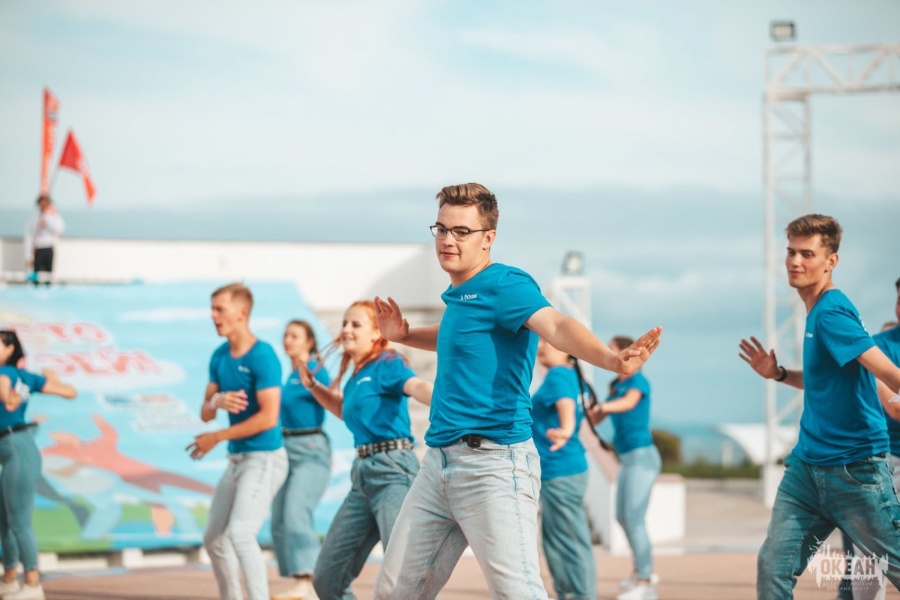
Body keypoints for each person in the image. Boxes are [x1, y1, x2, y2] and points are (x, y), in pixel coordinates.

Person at [372, 182, 662, 600]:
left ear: (488, 238)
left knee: (518, 593)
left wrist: (611, 360)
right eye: (442, 229)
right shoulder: (460, 297)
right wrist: (404, 334)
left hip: (493, 465)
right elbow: (456, 333)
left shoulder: (505, 284)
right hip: (437, 464)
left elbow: (556, 325)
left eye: (461, 231)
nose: (448, 239)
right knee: (394, 592)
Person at [738, 214, 900, 597]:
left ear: (831, 261)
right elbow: (823, 380)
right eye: (791, 252)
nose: (795, 261)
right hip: (807, 470)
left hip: (854, 470)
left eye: (807, 254)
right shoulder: (818, 311)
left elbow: (889, 373)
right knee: (773, 568)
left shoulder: (831, 313)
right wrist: (778, 374)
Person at [300, 300, 431, 600]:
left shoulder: (388, 363)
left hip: (393, 471)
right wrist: (314, 387)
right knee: (326, 579)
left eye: (355, 324)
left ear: (376, 333)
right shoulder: (355, 377)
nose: (346, 329)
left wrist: (450, 403)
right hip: (362, 477)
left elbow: (416, 386)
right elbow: (345, 411)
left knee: (402, 576)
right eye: (344, 323)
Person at [186, 283, 288, 600]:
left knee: (241, 534)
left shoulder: (263, 356)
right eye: (212, 309)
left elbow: (268, 418)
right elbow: (205, 413)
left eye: (220, 309)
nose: (213, 316)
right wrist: (216, 401)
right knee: (214, 539)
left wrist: (217, 436)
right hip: (237, 459)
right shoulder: (219, 356)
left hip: (265, 458)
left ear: (242, 313)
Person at [0, 329, 77, 600]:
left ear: (10, 348)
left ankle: (33, 585)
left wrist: (9, 397)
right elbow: (70, 392)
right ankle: (10, 579)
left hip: (16, 447)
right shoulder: (28, 377)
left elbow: (6, 394)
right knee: (5, 521)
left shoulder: (5, 373)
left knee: (19, 522)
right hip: (14, 447)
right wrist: (54, 381)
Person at [588, 335, 661, 600]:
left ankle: (645, 582)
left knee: (633, 518)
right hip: (627, 459)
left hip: (643, 458)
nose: (608, 353)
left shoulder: (637, 381)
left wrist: (603, 406)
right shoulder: (615, 386)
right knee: (622, 516)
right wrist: (588, 411)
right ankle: (639, 572)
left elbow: (628, 403)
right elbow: (596, 418)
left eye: (612, 349)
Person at [530, 338, 596, 600]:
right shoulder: (572, 376)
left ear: (567, 350)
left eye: (548, 341)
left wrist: (566, 430)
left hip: (560, 469)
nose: (541, 346)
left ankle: (580, 595)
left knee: (568, 541)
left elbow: (566, 404)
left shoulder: (558, 375)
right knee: (558, 540)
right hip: (564, 468)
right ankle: (569, 593)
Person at [271, 320, 332, 600]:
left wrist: (314, 383)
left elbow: (333, 397)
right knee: (279, 518)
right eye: (286, 335)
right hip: (285, 448)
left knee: (296, 511)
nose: (287, 340)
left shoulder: (315, 370)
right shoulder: (288, 375)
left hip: (310, 448)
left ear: (309, 342)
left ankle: (309, 581)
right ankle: (299, 579)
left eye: (294, 336)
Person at [23, 195, 65, 285]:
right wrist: (28, 256)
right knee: (36, 276)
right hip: (38, 249)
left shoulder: (54, 217)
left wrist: (47, 222)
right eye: (41, 204)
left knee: (48, 276)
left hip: (49, 248)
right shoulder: (34, 219)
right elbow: (29, 237)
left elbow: (59, 229)